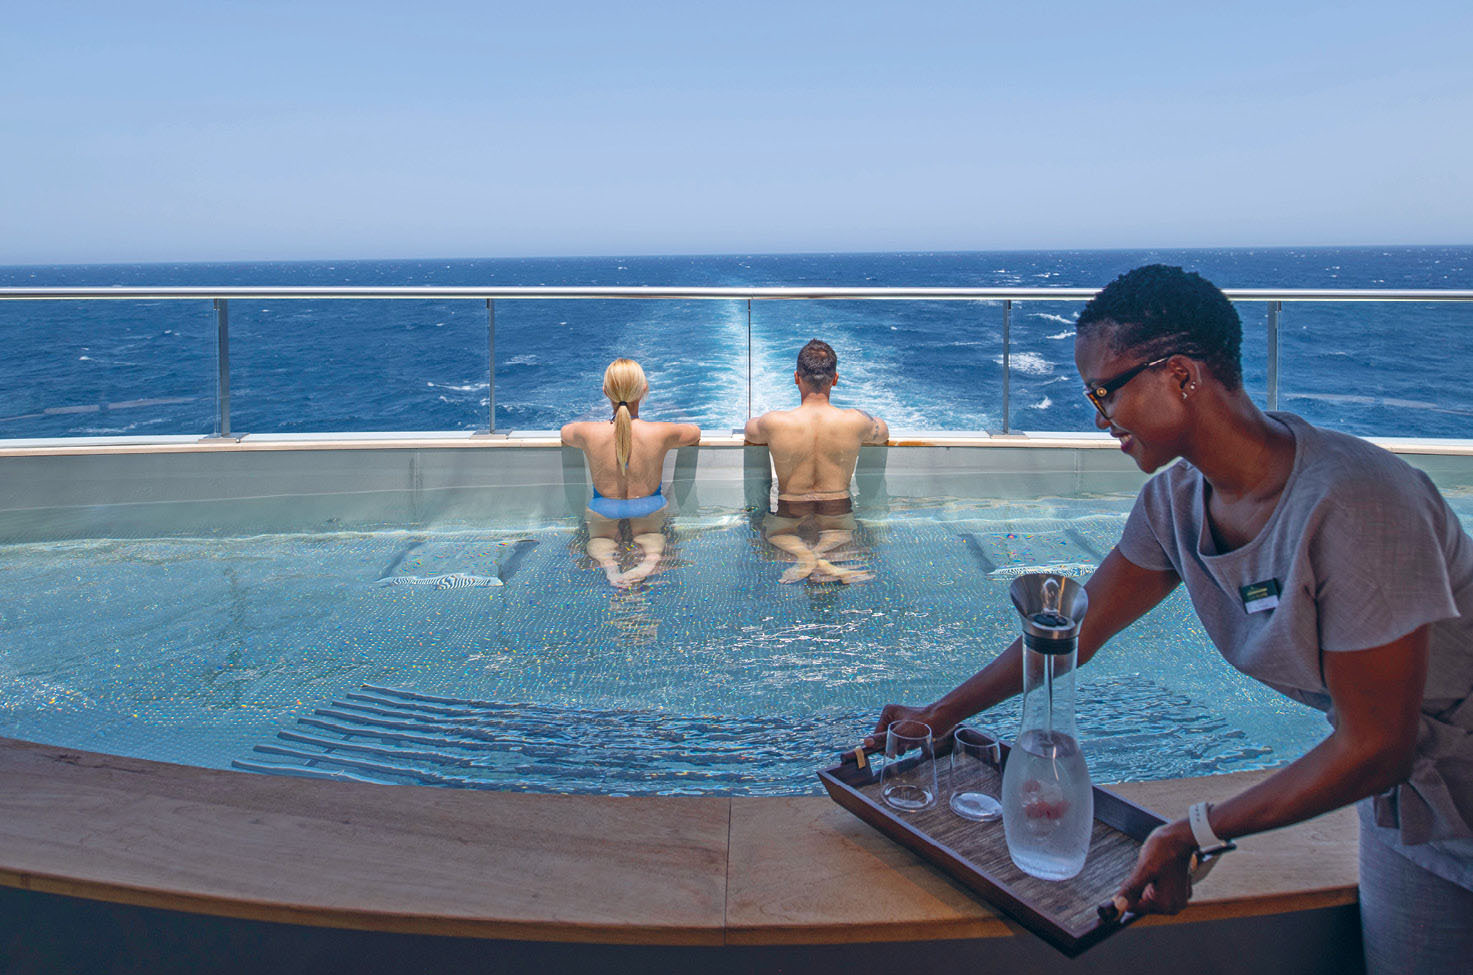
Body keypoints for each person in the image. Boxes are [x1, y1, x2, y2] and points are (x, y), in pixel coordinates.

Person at [869, 265, 1473, 973]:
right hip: (1415, 810)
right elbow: (1074, 633)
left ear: (1180, 375)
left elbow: (1377, 743)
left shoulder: (1358, 505)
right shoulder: (1176, 502)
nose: (1098, 417)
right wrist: (940, 713)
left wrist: (1199, 829)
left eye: (1103, 391)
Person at [744, 339, 888, 583]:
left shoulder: (774, 423)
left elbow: (750, 430)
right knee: (840, 534)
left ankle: (806, 557)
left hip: (790, 508)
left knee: (775, 533)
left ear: (796, 377)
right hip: (838, 510)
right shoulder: (856, 421)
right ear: (835, 379)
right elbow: (881, 431)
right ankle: (822, 558)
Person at [561, 358, 700, 589]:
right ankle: (650, 561)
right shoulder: (660, 432)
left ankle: (610, 567)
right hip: (648, 506)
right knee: (650, 536)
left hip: (604, 507)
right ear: (644, 389)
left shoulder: (588, 433)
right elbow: (694, 432)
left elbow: (566, 432)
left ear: (605, 392)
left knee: (600, 539)